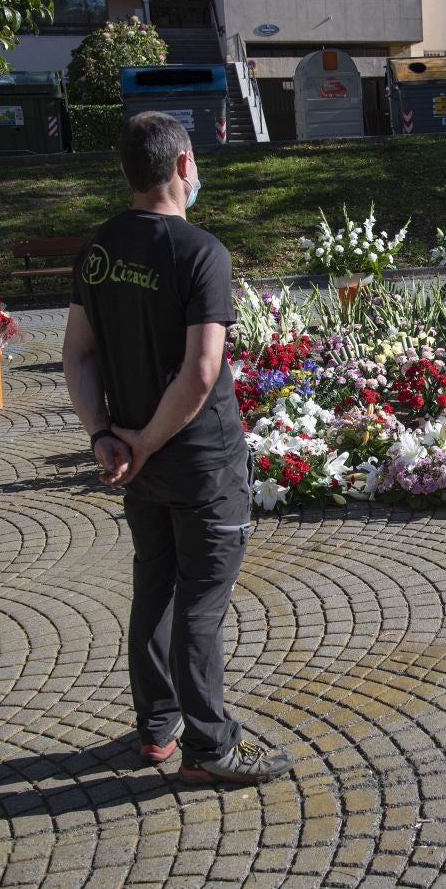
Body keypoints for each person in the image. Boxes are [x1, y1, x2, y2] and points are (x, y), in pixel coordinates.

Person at [63, 111, 293, 786]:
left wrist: (106, 437)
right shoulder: (200, 253)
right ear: (185, 165)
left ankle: (155, 726)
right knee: (199, 603)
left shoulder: (99, 249)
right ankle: (212, 747)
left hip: (137, 462)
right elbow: (201, 372)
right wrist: (142, 440)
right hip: (199, 460)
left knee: (154, 588)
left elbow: (75, 354)